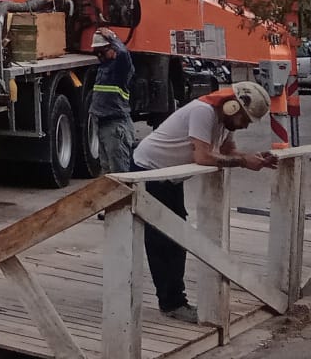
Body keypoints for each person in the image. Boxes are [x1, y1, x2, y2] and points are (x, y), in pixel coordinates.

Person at [130, 81, 278, 323]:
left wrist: (253, 158)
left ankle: (173, 301)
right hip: (149, 172)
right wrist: (243, 162)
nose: (244, 126)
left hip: (169, 178)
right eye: (245, 120)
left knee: (176, 237)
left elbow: (228, 151)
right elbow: (203, 157)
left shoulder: (224, 121)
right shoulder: (203, 112)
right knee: (163, 241)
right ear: (232, 107)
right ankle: (172, 302)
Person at [90, 28, 136, 175]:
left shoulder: (121, 68)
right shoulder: (104, 67)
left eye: (102, 52)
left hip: (116, 126)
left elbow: (124, 53)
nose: (99, 56)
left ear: (112, 48)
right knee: (107, 171)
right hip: (103, 124)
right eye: (97, 53)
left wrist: (112, 38)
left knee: (119, 173)